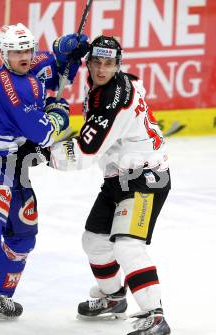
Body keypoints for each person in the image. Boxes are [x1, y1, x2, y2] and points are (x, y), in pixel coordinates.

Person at [0, 23, 88, 334]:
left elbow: (55, 69)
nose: (24, 57)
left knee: (23, 234)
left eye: (27, 49)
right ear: (3, 54)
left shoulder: (29, 64)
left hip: (12, 159)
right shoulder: (11, 87)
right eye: (16, 52)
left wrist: (68, 52)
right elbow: (42, 133)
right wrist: (57, 113)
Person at [50, 35, 171, 335]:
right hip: (119, 177)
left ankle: (154, 315)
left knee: (128, 246)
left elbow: (85, 152)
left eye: (109, 63)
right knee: (94, 242)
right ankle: (114, 298)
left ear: (118, 65)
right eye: (96, 62)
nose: (102, 68)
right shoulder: (104, 86)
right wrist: (63, 57)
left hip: (147, 178)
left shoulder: (115, 98)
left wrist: (43, 153)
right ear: (88, 63)